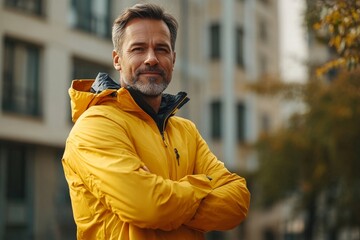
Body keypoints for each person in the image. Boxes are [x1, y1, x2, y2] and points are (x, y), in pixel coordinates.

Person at [62, 3, 250, 240]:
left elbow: (238, 202)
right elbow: (149, 206)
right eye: (138, 49)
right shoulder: (95, 125)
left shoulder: (186, 130)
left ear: (173, 58)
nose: (151, 59)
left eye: (161, 49)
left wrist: (168, 197)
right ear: (117, 59)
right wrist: (205, 184)